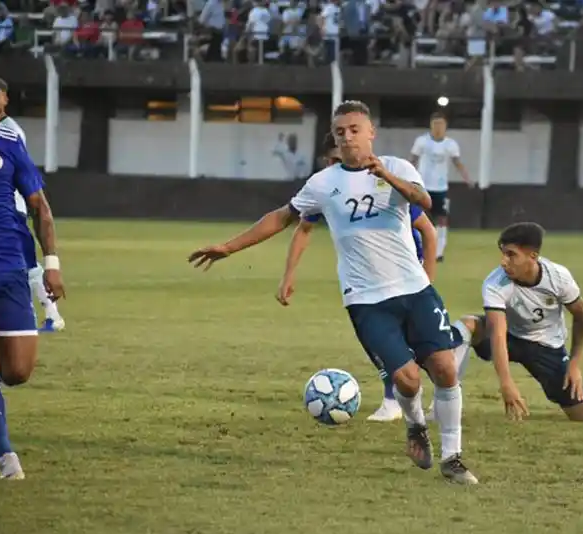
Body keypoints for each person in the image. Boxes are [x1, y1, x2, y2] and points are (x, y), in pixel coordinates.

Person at [189, 100, 477, 484]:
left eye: (355, 129)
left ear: (371, 132)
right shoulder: (323, 184)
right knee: (408, 380)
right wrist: (229, 247)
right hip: (366, 300)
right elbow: (283, 217)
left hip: (414, 290)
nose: (347, 137)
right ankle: (416, 426)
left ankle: (453, 457)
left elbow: (423, 201)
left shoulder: (398, 167)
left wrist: (385, 176)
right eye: (340, 132)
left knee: (444, 368)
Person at [277, 132, 440, 423]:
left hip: (404, 275)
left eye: (337, 160)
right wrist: (289, 274)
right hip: (365, 282)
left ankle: (433, 395)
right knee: (383, 341)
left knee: (419, 346)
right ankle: (394, 398)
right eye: (330, 160)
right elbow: (302, 229)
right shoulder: (328, 186)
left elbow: (428, 230)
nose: (334, 165)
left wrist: (428, 276)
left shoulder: (386, 183)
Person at [0, 72, 65, 479]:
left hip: (10, 271)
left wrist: (52, 264)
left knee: (17, 371)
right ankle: (6, 459)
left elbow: (40, 205)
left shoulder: (8, 143)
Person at [458, 222, 583, 423]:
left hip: (546, 346)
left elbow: (581, 316)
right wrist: (506, 383)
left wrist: (574, 364)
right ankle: (443, 402)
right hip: (510, 337)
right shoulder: (495, 282)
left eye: (511, 254)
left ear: (533, 256)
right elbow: (497, 332)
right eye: (503, 253)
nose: (503, 262)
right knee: (467, 325)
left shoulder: (558, 277)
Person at [0, 77, 66, 332]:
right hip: (3, 209)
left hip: (13, 207)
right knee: (26, 265)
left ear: (5, 99)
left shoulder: (10, 131)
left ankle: (52, 315)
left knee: (29, 265)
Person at [409, 112, 474, 262]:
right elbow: (412, 160)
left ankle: (439, 252)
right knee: (417, 217)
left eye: (441, 124)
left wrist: (467, 178)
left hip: (440, 188)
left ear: (445, 126)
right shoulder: (422, 141)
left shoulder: (450, 145)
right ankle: (417, 249)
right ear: (431, 125)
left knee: (442, 219)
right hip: (422, 186)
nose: (438, 128)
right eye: (435, 124)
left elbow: (457, 162)